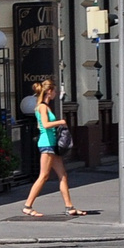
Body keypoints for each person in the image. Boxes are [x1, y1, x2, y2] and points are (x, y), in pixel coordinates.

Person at [23, 80, 88, 217]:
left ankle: (69, 207)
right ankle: (28, 206)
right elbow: (45, 124)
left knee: (63, 175)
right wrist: (61, 122)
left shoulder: (45, 107)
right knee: (44, 176)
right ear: (49, 91)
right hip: (47, 144)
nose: (56, 93)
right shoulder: (42, 107)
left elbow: (40, 125)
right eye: (55, 91)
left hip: (51, 144)